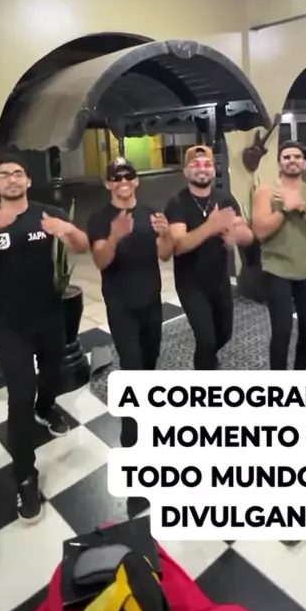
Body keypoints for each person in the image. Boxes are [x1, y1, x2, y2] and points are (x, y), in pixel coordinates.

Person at [0, 153, 89, 523]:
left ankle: (46, 407)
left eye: (18, 173)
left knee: (53, 375)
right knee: (20, 396)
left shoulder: (47, 213)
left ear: (28, 181)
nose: (12, 179)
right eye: (4, 175)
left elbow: (82, 246)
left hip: (50, 317)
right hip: (10, 325)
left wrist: (67, 230)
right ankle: (25, 475)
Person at [88, 159, 173, 442]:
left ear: (136, 180)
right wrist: (115, 236)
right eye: (116, 177)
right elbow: (101, 260)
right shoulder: (99, 219)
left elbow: (165, 254)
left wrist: (166, 235)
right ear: (108, 184)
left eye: (128, 176)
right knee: (132, 366)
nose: (123, 181)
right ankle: (131, 434)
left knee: (149, 361)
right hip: (120, 304)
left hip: (151, 300)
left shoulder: (150, 213)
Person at [165, 146, 253, 370]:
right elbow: (178, 246)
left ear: (214, 170)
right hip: (191, 284)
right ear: (186, 172)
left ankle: (208, 359)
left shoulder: (225, 199)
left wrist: (236, 236)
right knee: (206, 339)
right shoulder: (177, 203)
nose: (202, 168)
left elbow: (247, 234)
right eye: (195, 165)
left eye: (207, 164)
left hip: (220, 281)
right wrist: (211, 226)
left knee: (224, 334)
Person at [252, 142, 306, 370]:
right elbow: (260, 231)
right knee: (282, 330)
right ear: (279, 164)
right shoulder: (265, 191)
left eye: (297, 156)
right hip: (276, 266)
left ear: (304, 163)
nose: (292, 160)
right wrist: (285, 209)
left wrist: (302, 208)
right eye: (286, 157)